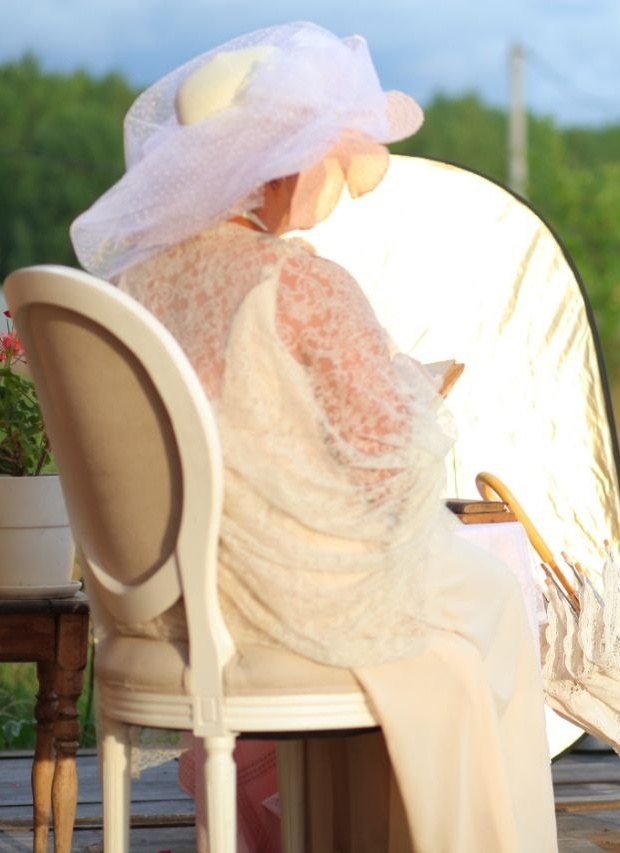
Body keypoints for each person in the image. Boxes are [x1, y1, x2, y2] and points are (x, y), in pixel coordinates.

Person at [70, 22, 557, 851]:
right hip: (278, 600)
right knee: (495, 593)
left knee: (464, 593)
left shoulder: (127, 289)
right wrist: (415, 388)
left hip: (161, 602)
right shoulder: (294, 279)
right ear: (275, 165)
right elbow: (387, 460)